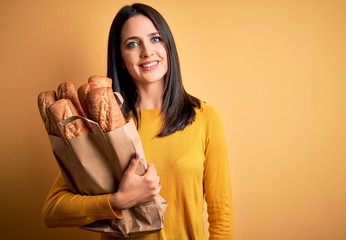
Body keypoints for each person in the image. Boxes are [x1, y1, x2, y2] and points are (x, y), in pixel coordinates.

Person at [42, 3, 233, 239]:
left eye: (155, 39)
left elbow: (220, 215)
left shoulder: (204, 118)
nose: (147, 51)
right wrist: (119, 200)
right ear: (121, 59)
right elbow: (52, 210)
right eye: (133, 44)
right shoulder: (104, 128)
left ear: (168, 47)